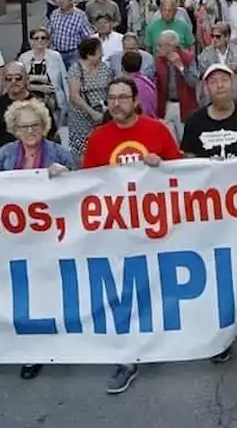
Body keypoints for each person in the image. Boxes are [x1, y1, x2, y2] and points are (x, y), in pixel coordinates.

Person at [78, 77, 180, 394]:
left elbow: (183, 175)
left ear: (136, 100)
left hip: (156, 227)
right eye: (111, 98)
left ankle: (184, 343)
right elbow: (85, 185)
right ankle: (128, 358)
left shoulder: (157, 130)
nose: (117, 103)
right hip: (117, 230)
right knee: (126, 294)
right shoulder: (98, 138)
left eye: (123, 97)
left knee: (161, 288)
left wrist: (160, 166)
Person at [179, 63, 237, 363]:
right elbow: (189, 165)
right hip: (210, 211)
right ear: (206, 88)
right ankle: (221, 334)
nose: (219, 85)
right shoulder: (195, 122)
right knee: (217, 271)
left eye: (224, 80)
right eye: (213, 81)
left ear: (233, 85)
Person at [66, 36, 114, 158]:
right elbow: (74, 96)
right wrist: (92, 113)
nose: (102, 54)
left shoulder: (105, 68)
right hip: (81, 119)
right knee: (83, 153)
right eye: (99, 51)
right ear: (89, 54)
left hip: (102, 115)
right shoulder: (76, 69)